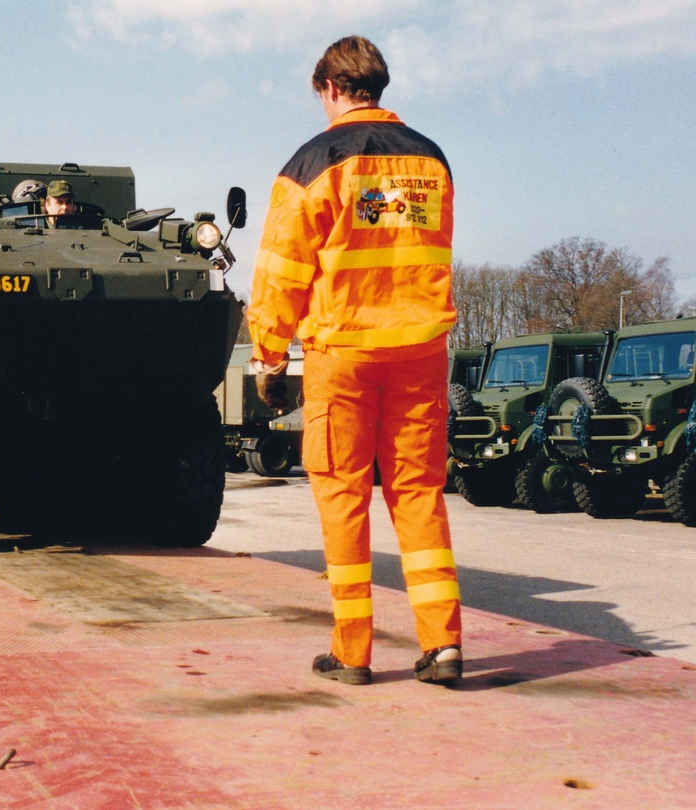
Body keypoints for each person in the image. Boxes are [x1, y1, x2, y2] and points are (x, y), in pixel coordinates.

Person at [248, 35, 462, 686]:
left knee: (343, 495)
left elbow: (281, 274)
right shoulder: (432, 161)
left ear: (331, 89)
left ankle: (353, 651)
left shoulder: (312, 164)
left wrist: (269, 357)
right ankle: (444, 644)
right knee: (419, 493)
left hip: (343, 351)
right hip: (420, 350)